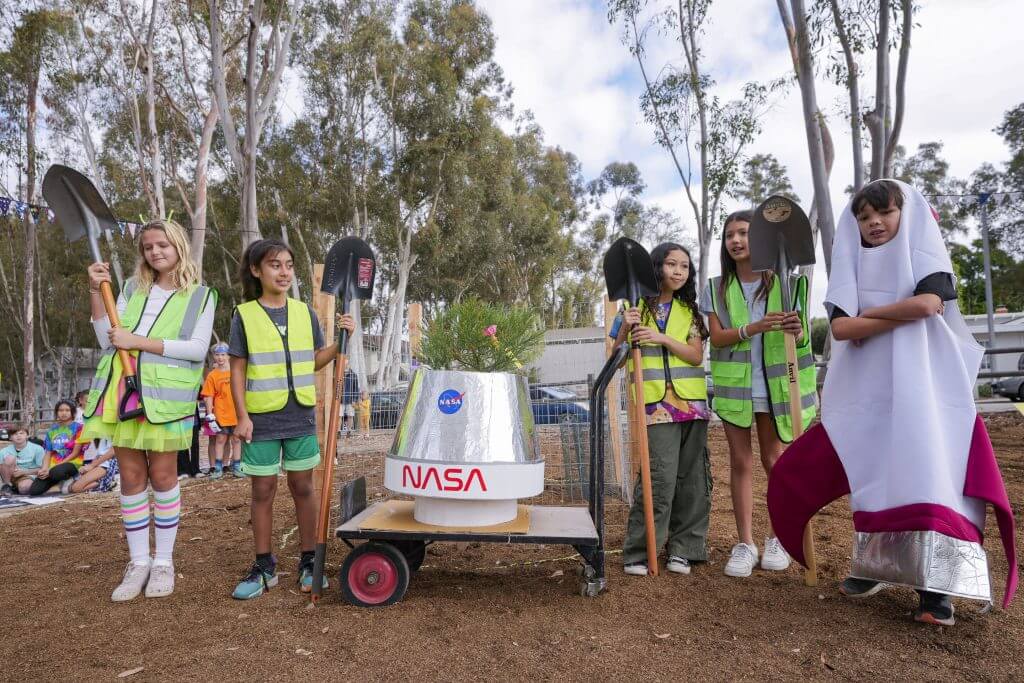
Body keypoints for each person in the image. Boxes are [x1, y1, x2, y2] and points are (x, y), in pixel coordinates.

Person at [768, 180, 1017, 626]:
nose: (874, 224)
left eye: (884, 214)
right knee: (876, 476)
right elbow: (842, 330)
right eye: (863, 218)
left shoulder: (925, 257)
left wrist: (870, 315)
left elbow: (928, 304)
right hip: (872, 393)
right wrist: (881, 315)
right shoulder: (854, 266)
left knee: (929, 476)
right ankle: (873, 566)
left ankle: (935, 589)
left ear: (907, 215)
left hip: (927, 390)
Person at [81, 218, 216, 601]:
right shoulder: (130, 289)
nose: (155, 252)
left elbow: (195, 349)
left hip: (165, 400)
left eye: (162, 245)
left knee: (163, 476)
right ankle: (138, 562)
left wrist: (137, 341)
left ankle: (163, 562)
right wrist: (96, 291)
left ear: (178, 247)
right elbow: (106, 339)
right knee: (131, 478)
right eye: (147, 247)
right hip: (124, 393)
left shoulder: (201, 296)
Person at [228, 238, 355, 599]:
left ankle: (309, 560)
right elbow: (236, 372)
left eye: (287, 265)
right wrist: (241, 417)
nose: (283, 272)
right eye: (274, 265)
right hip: (262, 418)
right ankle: (264, 566)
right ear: (256, 270)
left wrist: (340, 341)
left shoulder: (304, 312)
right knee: (263, 490)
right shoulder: (244, 316)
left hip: (300, 414)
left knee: (303, 488)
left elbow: (314, 359)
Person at [699, 209, 816, 578]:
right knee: (740, 462)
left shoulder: (787, 283)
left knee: (774, 460)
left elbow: (801, 337)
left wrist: (795, 330)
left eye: (744, 233)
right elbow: (716, 338)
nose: (735, 240)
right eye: (730, 235)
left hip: (775, 388)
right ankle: (745, 543)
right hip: (736, 389)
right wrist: (753, 328)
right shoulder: (715, 288)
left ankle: (778, 537)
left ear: (759, 239)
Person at [611, 242, 712, 577]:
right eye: (672, 264)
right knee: (659, 478)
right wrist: (626, 327)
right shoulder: (633, 308)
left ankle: (684, 549)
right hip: (656, 405)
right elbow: (614, 352)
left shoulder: (689, 312)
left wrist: (662, 338)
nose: (679, 272)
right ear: (657, 268)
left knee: (692, 479)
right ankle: (642, 550)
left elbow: (696, 356)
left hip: (692, 405)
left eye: (684, 266)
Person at [28, 400, 84, 496]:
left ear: (73, 412)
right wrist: (45, 468)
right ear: (57, 412)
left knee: (56, 472)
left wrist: (52, 468)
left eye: (67, 410)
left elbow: (75, 453)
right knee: (34, 491)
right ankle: (58, 483)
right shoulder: (52, 430)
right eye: (61, 410)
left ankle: (71, 479)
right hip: (53, 466)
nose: (64, 413)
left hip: (72, 463)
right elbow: (48, 453)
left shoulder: (79, 428)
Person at [201, 342, 241, 478]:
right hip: (221, 414)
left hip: (236, 413)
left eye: (223, 354)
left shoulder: (236, 372)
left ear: (229, 356)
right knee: (220, 439)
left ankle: (237, 466)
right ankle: (217, 468)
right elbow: (208, 396)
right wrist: (210, 414)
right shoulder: (212, 375)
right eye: (217, 355)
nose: (220, 358)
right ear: (214, 356)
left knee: (236, 439)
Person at [0, 426, 46, 496]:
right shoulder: (4, 451)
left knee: (25, 489)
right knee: (10, 458)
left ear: (27, 435)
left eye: (21, 433)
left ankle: (14, 488)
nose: (19, 436)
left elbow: (42, 468)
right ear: (10, 438)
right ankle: (7, 485)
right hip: (9, 476)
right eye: (15, 434)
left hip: (27, 475)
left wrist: (23, 472)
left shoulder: (38, 449)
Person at [340, 369, 358, 437]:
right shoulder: (338, 372)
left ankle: (349, 431)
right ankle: (338, 432)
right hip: (340, 400)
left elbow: (356, 389)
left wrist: (354, 399)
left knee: (350, 415)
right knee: (339, 416)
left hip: (350, 400)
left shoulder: (354, 375)